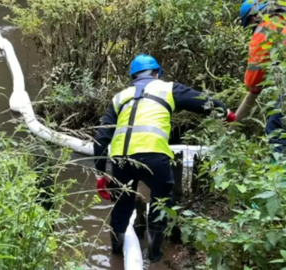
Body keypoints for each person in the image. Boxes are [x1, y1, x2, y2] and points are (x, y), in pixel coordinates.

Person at [93, 54, 235, 265]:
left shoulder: (119, 97)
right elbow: (201, 101)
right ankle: (155, 255)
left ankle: (116, 252)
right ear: (157, 72)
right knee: (160, 201)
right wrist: (227, 112)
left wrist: (100, 174)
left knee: (122, 205)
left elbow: (101, 137)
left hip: (120, 160)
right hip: (153, 157)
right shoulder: (167, 88)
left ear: (133, 77)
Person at [236, 0, 286, 156]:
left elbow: (254, 77)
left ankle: (280, 178)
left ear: (253, 18)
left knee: (276, 128)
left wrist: (254, 87)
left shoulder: (266, 27)